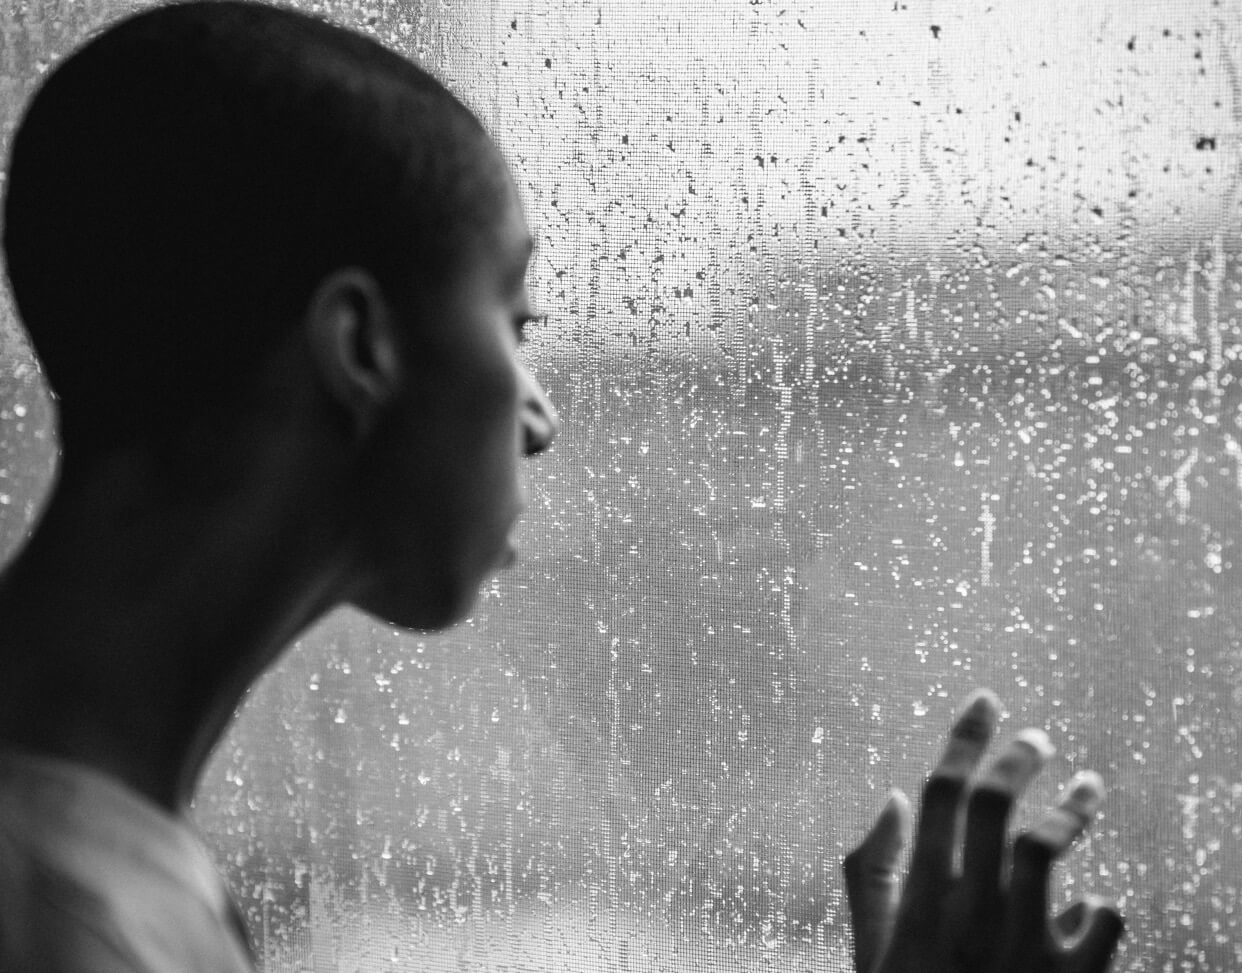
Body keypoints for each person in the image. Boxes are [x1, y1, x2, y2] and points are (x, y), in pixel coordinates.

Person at [0, 2, 1123, 971]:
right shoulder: (65, 921)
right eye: (513, 322)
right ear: (360, 344)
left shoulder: (104, 850)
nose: (540, 416)